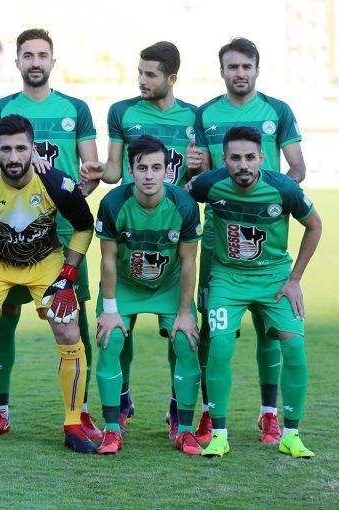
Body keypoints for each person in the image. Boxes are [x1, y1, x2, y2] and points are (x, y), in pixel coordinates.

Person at [0, 28, 101, 441]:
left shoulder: (76, 108)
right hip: (10, 231)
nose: (35, 62)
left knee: (73, 318)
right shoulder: (0, 108)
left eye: (42, 55)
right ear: (17, 62)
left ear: (52, 61)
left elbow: (91, 170)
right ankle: (0, 411)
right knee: (3, 317)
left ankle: (81, 412)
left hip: (63, 232)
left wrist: (71, 192)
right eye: (27, 55)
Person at [0, 114, 96, 454]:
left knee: (68, 329)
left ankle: (73, 425)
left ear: (33, 149)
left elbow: (85, 227)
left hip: (45, 262)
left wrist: (67, 276)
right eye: (6, 149)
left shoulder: (56, 182)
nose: (13, 157)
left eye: (21, 149)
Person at [188, 37, 307, 445]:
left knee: (270, 329)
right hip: (218, 239)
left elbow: (297, 167)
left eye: (246, 66)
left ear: (257, 69)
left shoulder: (278, 111)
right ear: (221, 71)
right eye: (232, 67)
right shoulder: (206, 113)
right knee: (214, 330)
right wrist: (195, 170)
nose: (239, 73)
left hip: (266, 239)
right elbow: (201, 178)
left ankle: (269, 414)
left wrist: (270, 198)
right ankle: (210, 414)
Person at [83, 41, 201, 440]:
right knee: (117, 332)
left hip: (173, 229)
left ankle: (178, 410)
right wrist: (99, 171)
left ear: (172, 78)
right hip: (134, 229)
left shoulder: (195, 117)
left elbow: (202, 174)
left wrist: (199, 168)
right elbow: (115, 172)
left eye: (151, 75)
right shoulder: (123, 112)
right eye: (140, 73)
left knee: (182, 337)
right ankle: (121, 404)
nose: (142, 81)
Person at [189, 126, 321, 458]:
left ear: (262, 158)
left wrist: (294, 279)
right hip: (227, 277)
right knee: (219, 345)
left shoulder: (284, 189)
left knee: (294, 348)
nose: (243, 165)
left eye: (250, 157)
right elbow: (179, 200)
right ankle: (219, 435)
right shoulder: (209, 184)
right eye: (235, 158)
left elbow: (315, 225)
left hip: (274, 278)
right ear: (224, 159)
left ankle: (290, 435)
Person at [94, 135, 202, 455]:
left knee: (186, 341)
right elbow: (108, 259)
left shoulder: (184, 205)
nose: (150, 175)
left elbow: (188, 262)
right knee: (110, 338)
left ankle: (183, 427)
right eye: (142, 168)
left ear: (168, 171)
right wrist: (110, 310)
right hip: (125, 284)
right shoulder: (113, 203)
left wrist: (185, 313)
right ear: (130, 171)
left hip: (168, 285)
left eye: (157, 168)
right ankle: (112, 428)